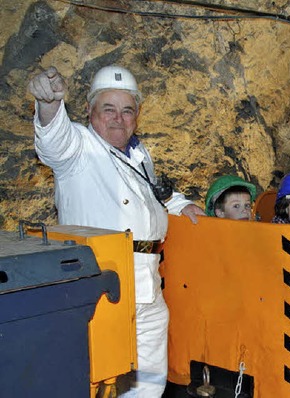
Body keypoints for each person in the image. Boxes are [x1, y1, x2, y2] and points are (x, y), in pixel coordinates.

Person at [29, 65, 205, 397]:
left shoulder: (138, 153)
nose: (118, 119)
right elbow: (54, 141)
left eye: (127, 111)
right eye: (108, 109)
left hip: (149, 283)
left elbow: (154, 193)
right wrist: (49, 104)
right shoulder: (80, 147)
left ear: (137, 116)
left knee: (150, 381)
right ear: (90, 112)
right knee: (101, 376)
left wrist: (182, 205)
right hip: (103, 284)